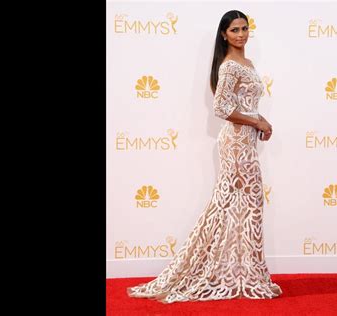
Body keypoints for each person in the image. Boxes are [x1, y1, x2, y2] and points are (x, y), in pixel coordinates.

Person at [127, 9, 281, 304]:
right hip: (235, 145)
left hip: (245, 142)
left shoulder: (247, 63)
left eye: (244, 28)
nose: (241, 34)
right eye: (234, 30)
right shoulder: (229, 67)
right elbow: (222, 109)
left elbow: (243, 106)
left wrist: (262, 121)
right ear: (224, 34)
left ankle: (248, 273)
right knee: (234, 207)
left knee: (247, 208)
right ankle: (208, 272)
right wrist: (256, 122)